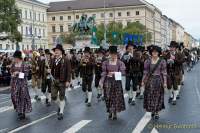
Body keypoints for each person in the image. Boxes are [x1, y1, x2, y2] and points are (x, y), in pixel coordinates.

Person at [100, 46, 126, 120]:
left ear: (117, 54)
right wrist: (101, 81)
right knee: (108, 97)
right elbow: (104, 72)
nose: (113, 56)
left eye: (115, 54)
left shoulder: (120, 63)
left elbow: (123, 72)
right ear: (109, 54)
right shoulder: (106, 62)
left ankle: (114, 113)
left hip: (117, 82)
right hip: (108, 81)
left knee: (115, 97)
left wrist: (115, 73)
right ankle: (110, 111)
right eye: (112, 54)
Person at [141, 45, 167, 120]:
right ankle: (153, 109)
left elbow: (164, 72)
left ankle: (156, 112)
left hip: (158, 80)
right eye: (153, 52)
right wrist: (143, 81)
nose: (154, 53)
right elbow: (145, 72)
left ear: (158, 53)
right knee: (150, 95)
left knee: (158, 96)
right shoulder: (148, 61)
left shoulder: (162, 61)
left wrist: (165, 82)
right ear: (151, 53)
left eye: (156, 52)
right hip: (150, 80)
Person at [50, 44, 71, 120]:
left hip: (62, 81)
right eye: (55, 51)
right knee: (53, 97)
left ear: (61, 52)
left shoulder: (66, 60)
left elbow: (69, 71)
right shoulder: (52, 60)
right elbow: (51, 69)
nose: (56, 52)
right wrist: (49, 71)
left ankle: (61, 112)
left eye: (57, 51)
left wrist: (68, 81)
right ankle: (60, 106)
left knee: (62, 97)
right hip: (54, 80)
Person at [10, 51, 32, 120]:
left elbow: (26, 74)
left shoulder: (24, 64)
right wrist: (12, 74)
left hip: (22, 83)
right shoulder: (13, 64)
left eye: (15, 58)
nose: (14, 59)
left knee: (22, 98)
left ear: (18, 58)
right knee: (14, 96)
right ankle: (19, 109)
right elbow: (11, 71)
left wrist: (18, 73)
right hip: (14, 82)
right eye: (14, 58)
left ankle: (22, 112)